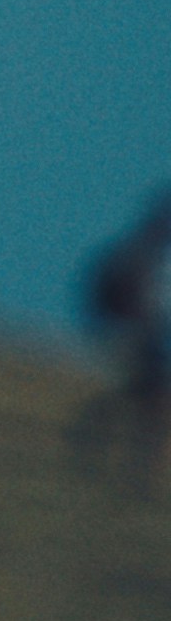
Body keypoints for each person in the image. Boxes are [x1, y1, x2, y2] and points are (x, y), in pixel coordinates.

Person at [77, 186, 171, 497]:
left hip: (133, 340)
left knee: (143, 402)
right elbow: (117, 299)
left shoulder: (145, 256)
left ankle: (126, 466)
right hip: (127, 339)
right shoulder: (136, 256)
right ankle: (134, 474)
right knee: (151, 403)